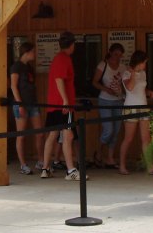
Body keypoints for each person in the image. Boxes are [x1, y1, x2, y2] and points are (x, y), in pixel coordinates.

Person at [40, 31, 83, 181]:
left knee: (52, 135)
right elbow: (59, 79)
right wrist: (65, 100)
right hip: (62, 105)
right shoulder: (63, 59)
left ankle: (45, 168)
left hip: (55, 104)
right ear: (71, 45)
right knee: (68, 135)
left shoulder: (59, 59)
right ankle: (70, 169)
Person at [117, 50, 153, 175]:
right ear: (139, 62)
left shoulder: (143, 73)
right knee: (128, 138)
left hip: (143, 106)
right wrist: (133, 74)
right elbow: (129, 88)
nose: (145, 65)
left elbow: (141, 89)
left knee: (146, 138)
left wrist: (149, 92)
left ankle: (150, 166)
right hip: (131, 107)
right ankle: (122, 166)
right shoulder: (127, 73)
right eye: (144, 62)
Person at [9, 41, 43, 175]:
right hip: (21, 104)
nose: (34, 54)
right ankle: (23, 164)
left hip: (33, 103)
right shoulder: (16, 67)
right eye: (33, 51)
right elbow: (13, 86)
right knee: (21, 135)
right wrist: (19, 103)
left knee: (40, 133)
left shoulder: (29, 67)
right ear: (26, 52)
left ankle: (41, 161)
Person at [92, 42, 125, 168]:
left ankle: (110, 158)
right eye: (116, 54)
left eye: (120, 55)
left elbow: (124, 84)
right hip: (105, 100)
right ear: (110, 52)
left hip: (118, 100)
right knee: (108, 129)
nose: (117, 57)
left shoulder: (122, 67)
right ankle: (99, 152)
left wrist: (124, 96)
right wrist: (106, 89)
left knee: (116, 130)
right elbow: (94, 82)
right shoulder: (103, 65)